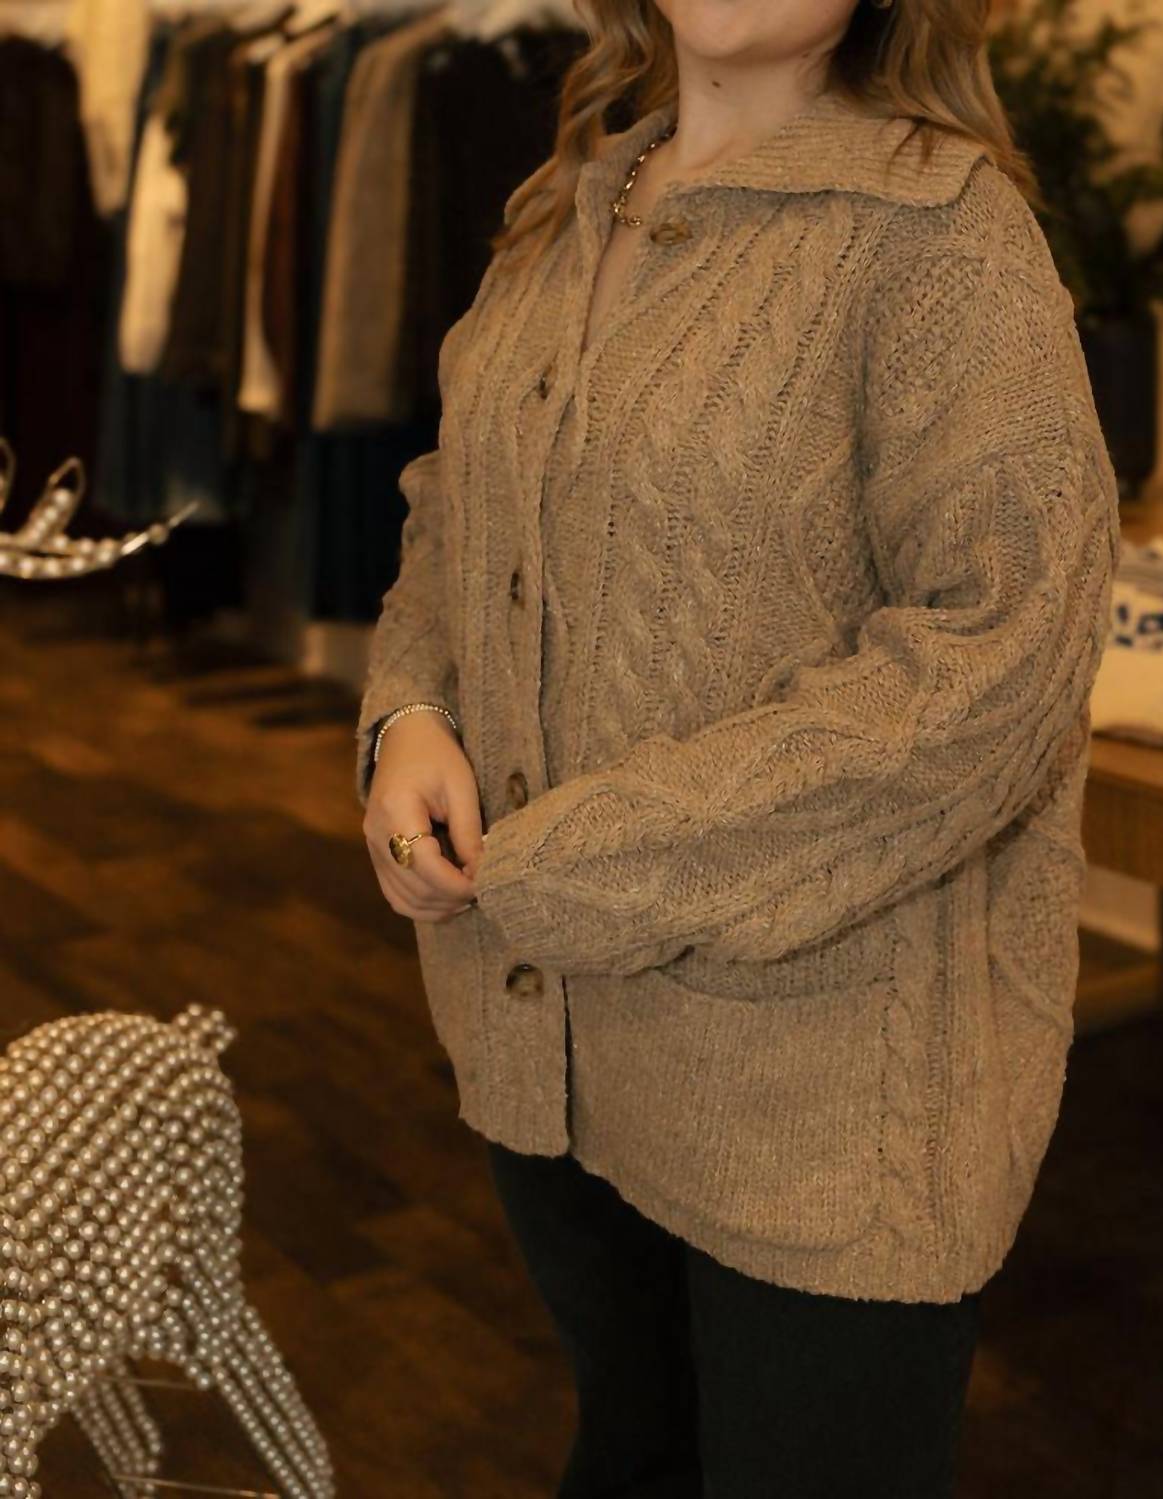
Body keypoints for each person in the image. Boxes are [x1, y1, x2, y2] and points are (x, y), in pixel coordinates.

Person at [356, 0, 1120, 1491]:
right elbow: (456, 506)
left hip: (822, 1104)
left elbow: (999, 660)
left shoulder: (939, 235)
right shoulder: (563, 205)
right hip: (551, 1041)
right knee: (631, 1447)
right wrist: (407, 712)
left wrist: (582, 864)